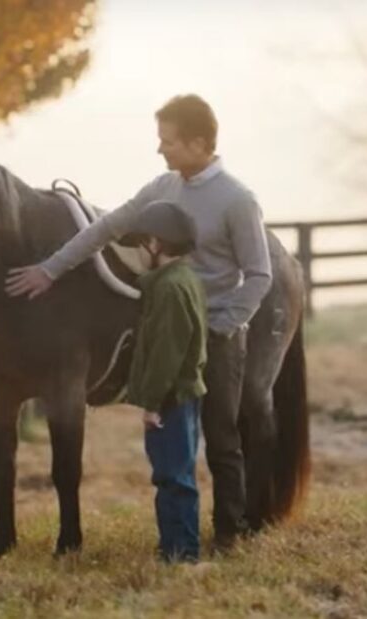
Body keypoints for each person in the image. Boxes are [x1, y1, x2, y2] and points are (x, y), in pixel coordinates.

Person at [5, 94, 272, 551]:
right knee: (169, 439)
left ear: (199, 142)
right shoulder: (162, 188)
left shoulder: (237, 199)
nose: (161, 150)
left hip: (218, 334)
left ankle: (229, 531)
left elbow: (260, 275)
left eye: (168, 141)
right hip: (171, 330)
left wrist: (224, 326)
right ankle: (178, 539)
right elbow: (104, 229)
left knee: (222, 436)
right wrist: (50, 269)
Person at [122, 201, 207, 563]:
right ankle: (174, 546)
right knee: (177, 472)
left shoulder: (169, 290)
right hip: (184, 393)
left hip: (171, 397)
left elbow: (165, 354)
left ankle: (182, 552)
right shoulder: (183, 279)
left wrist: (152, 402)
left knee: (172, 476)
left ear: (156, 244)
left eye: (140, 244)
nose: (137, 253)